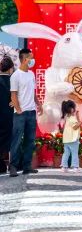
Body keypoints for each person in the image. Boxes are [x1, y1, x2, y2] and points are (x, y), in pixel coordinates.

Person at [9, 48, 38, 177]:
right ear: (25, 59)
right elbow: (13, 95)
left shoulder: (31, 74)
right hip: (20, 114)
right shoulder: (16, 76)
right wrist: (19, 109)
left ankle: (27, 166)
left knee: (30, 140)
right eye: (31, 58)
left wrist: (39, 104)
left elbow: (33, 92)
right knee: (16, 140)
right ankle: (13, 166)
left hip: (32, 112)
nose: (33, 60)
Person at [0, 56, 13, 175]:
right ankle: (12, 165)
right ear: (10, 69)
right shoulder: (12, 81)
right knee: (9, 140)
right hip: (9, 115)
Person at [60, 99, 80, 171]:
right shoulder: (72, 118)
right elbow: (75, 127)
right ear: (71, 109)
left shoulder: (66, 117)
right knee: (74, 153)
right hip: (73, 139)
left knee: (66, 153)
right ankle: (75, 166)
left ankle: (64, 166)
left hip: (66, 139)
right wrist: (80, 121)